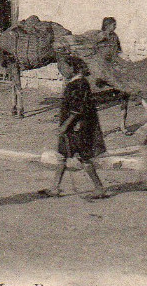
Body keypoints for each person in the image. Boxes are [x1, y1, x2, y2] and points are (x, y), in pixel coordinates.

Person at [41, 56, 108, 200]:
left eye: (63, 68)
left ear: (72, 68)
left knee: (84, 158)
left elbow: (77, 109)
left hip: (78, 127)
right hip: (73, 127)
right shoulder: (76, 83)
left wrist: (65, 125)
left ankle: (99, 188)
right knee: (63, 155)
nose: (62, 71)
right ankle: (55, 188)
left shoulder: (79, 84)